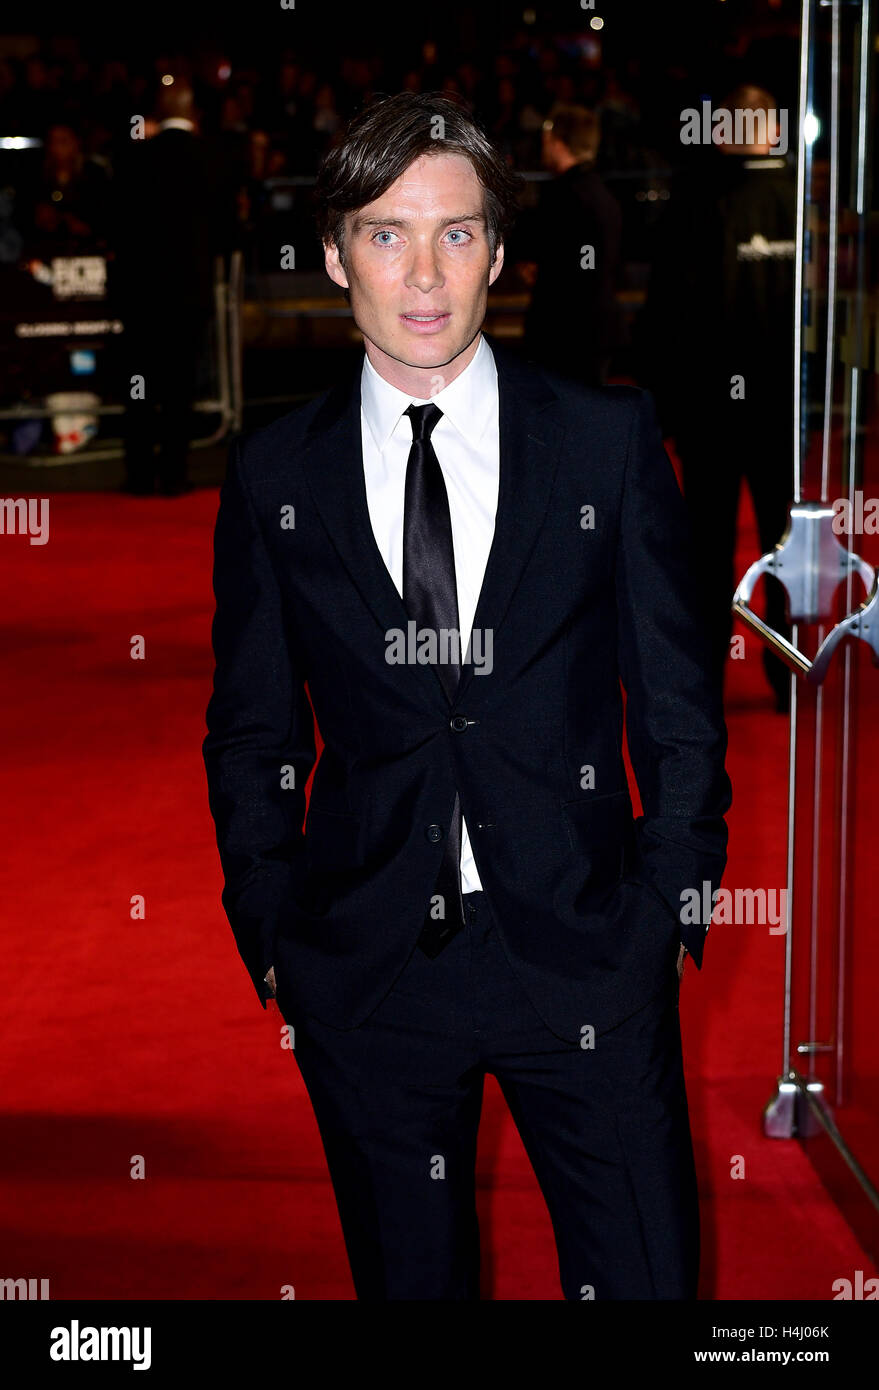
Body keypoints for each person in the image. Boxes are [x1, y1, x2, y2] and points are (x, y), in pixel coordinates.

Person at [203, 91, 731, 1301]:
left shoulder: (605, 439)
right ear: (335, 254)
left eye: (456, 231)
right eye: (388, 234)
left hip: (592, 954)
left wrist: (667, 907)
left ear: (498, 246)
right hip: (371, 971)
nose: (425, 274)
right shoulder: (277, 474)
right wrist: (274, 928)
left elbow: (680, 708)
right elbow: (251, 726)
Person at [638, 84, 796, 710]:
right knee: (781, 545)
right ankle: (784, 671)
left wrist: (664, 409)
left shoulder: (697, 201)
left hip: (714, 413)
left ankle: (707, 675)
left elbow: (664, 315)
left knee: (708, 549)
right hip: (776, 410)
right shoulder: (796, 201)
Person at [112, 82, 226, 496]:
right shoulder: (210, 157)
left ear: (158, 112)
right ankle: (174, 474)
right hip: (187, 291)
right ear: (194, 113)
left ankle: (140, 474)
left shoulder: (137, 156)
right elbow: (226, 226)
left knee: (139, 381)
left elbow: (117, 219)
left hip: (141, 291)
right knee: (179, 385)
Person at [518, 103, 623, 386]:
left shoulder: (563, 198)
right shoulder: (606, 196)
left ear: (555, 141)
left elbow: (558, 273)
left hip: (564, 335)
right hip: (596, 330)